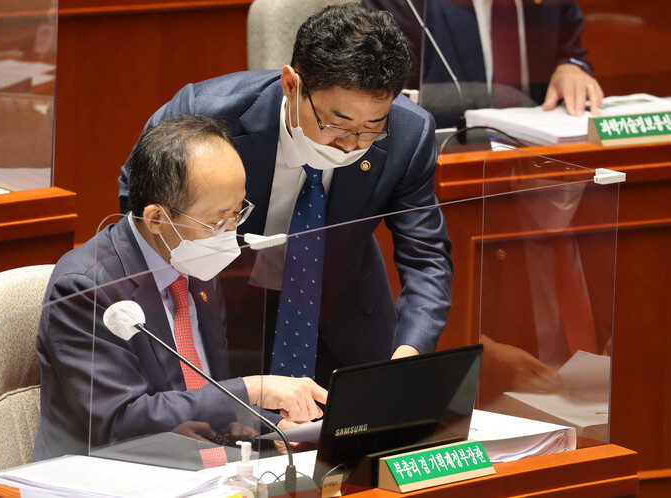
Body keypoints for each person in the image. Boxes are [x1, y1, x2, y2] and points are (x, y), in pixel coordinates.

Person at [117, 4, 453, 388]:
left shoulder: (409, 134)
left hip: (346, 325)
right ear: (292, 85)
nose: (350, 146)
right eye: (335, 124)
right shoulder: (205, 116)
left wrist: (408, 354)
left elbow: (427, 260)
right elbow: (139, 205)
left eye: (371, 128)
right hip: (219, 314)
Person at [34, 115, 327, 461]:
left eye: (238, 213)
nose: (229, 233)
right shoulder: (86, 288)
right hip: (109, 474)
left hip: (200, 468)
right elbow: (121, 420)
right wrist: (253, 390)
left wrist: (273, 428)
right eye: (218, 220)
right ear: (157, 219)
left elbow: (204, 398)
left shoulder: (194, 263)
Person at [362, 0, 604, 127]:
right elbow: (387, 93)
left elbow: (570, 50)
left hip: (544, 164)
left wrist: (571, 66)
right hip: (444, 170)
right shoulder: (404, 4)